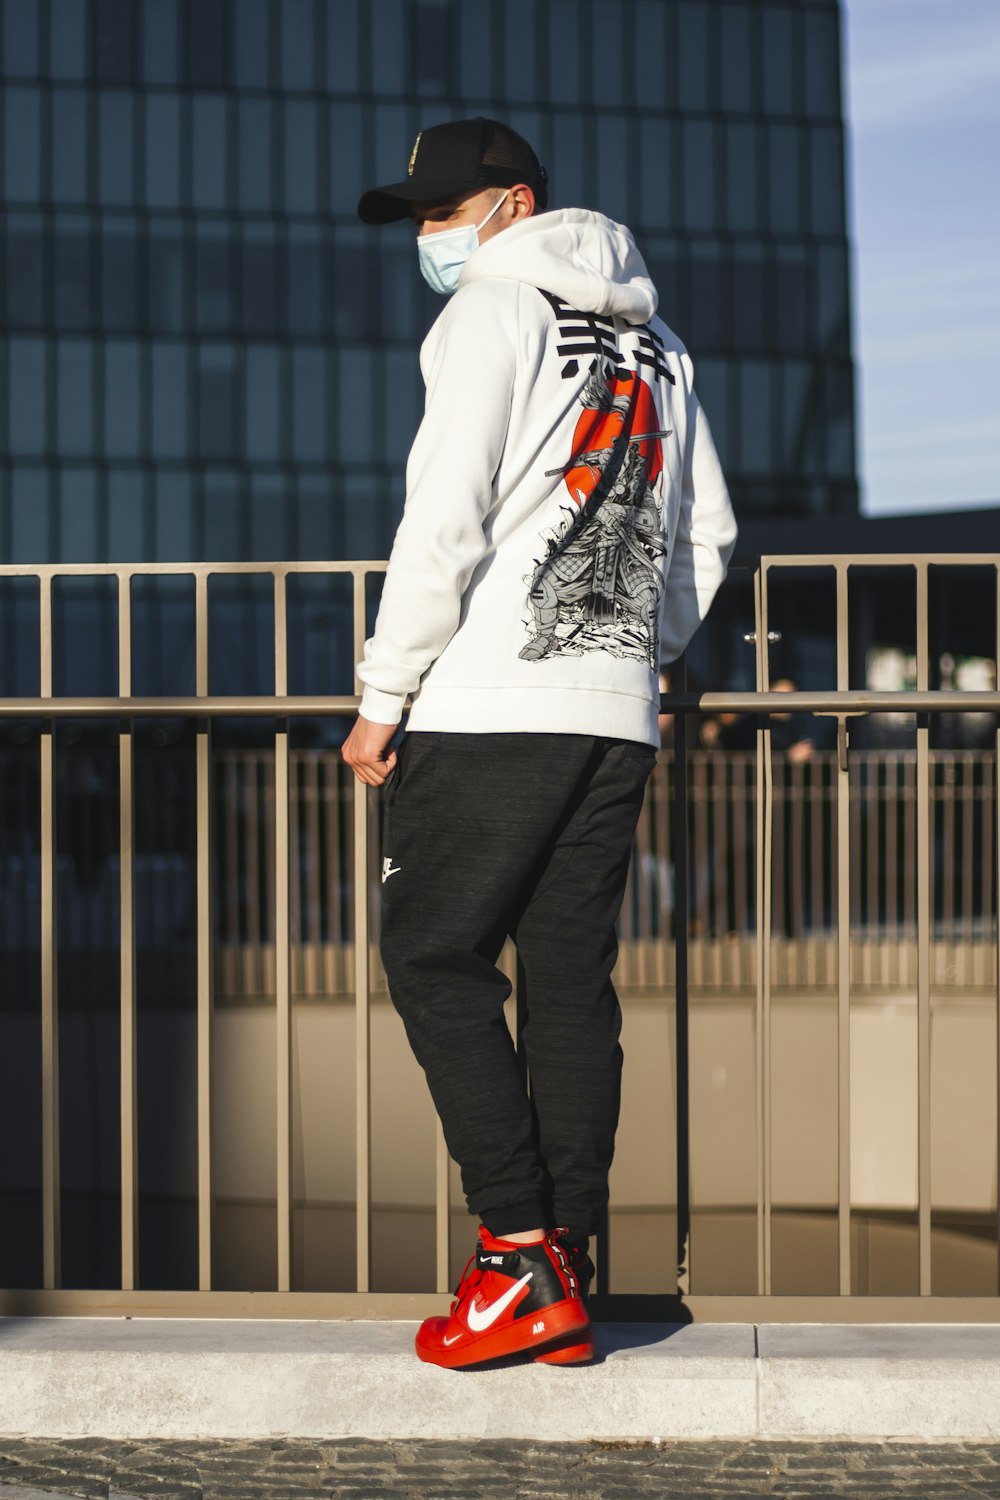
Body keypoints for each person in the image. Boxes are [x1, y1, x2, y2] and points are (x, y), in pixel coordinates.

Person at [342, 117, 736, 1368]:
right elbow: (706, 535)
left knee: (436, 959)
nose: (427, 236)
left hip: (488, 705)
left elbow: (444, 514)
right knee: (569, 987)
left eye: (443, 213)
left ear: (511, 205)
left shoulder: (491, 315)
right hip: (610, 712)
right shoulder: (658, 342)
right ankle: (567, 1276)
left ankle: (515, 1254)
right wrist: (634, 655)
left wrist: (381, 691)